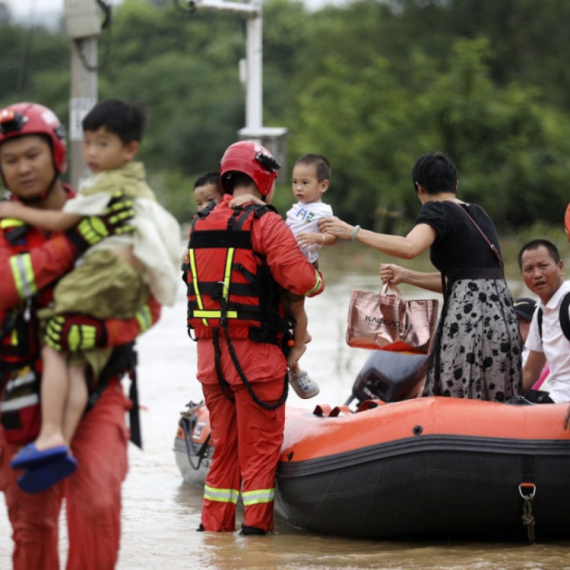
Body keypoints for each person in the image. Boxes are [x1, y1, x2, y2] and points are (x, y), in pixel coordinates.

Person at [0, 102, 162, 569]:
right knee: (32, 523)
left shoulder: (112, 212)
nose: (23, 168)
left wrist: (100, 330)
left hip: (99, 387)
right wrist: (72, 243)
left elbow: (150, 305)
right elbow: (6, 287)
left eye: (32, 155)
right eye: (10, 161)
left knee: (96, 504)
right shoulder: (10, 227)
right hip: (19, 396)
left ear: (56, 155)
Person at [185, 141, 324, 535]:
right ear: (264, 177)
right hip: (255, 357)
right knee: (260, 451)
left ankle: (214, 535)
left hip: (210, 357)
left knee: (224, 448)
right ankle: (258, 537)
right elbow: (300, 280)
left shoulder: (202, 220)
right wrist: (317, 280)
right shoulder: (264, 222)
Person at [320, 151, 521, 401]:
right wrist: (406, 276)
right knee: (494, 396)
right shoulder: (478, 213)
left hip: (468, 318)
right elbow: (464, 282)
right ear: (455, 184)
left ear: (419, 188)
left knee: (454, 395)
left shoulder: (436, 210)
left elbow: (409, 247)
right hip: (500, 315)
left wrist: (352, 232)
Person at [284, 154, 337, 398]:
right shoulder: (297, 208)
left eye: (305, 183)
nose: (298, 188)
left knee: (296, 306)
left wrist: (318, 238)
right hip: (288, 263)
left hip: (304, 265)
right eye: (295, 182)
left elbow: (335, 237)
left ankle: (300, 343)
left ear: (322, 186)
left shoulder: (323, 211)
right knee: (285, 306)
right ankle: (299, 334)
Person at [519, 239, 570, 404]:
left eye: (543, 266)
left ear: (560, 267)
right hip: (555, 398)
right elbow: (530, 373)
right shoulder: (540, 313)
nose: (537, 275)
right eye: (529, 269)